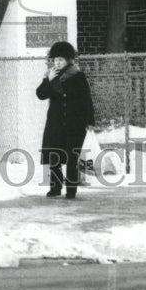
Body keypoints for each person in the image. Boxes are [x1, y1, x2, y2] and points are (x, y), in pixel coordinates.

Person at [35, 40, 95, 199]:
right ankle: (55, 187)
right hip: (55, 123)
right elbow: (41, 95)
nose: (58, 62)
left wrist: (90, 121)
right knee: (53, 155)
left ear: (68, 60)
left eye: (61, 59)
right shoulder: (50, 76)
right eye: (55, 60)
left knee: (71, 158)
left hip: (74, 123)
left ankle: (71, 189)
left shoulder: (78, 76)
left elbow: (86, 99)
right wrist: (49, 80)